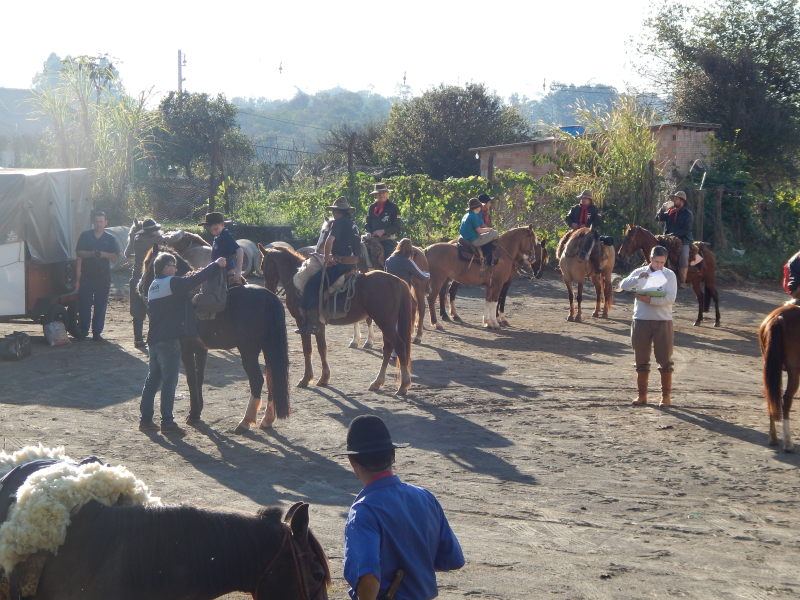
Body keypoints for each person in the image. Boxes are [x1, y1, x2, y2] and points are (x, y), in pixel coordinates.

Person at [339, 415, 464, 600]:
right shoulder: (425, 497)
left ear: (352, 461)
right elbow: (453, 559)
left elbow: (368, 577)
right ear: (392, 455)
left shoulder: (363, 512)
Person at [139, 253, 226, 434]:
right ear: (165, 268)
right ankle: (167, 422)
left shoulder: (154, 286)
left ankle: (146, 420)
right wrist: (216, 265)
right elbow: (195, 279)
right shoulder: (171, 282)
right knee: (169, 382)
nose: (176, 269)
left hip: (154, 341)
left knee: (152, 381)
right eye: (173, 266)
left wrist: (190, 301)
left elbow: (170, 306)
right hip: (169, 342)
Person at [619, 246, 678, 407]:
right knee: (641, 359)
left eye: (662, 262)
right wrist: (638, 278)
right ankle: (642, 395)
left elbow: (671, 298)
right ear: (650, 259)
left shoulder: (669, 275)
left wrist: (650, 300)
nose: (659, 265)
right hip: (641, 320)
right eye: (656, 261)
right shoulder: (641, 271)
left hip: (663, 321)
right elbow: (623, 285)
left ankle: (665, 396)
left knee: (665, 360)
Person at [296, 197, 361, 334]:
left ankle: (313, 325)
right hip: (353, 265)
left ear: (337, 212)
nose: (333, 215)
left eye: (333, 212)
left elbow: (329, 242)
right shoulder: (353, 224)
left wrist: (326, 260)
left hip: (341, 266)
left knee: (311, 285)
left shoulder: (338, 222)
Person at [75, 212, 119, 341]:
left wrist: (103, 254)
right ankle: (84, 330)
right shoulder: (85, 236)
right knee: (84, 305)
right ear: (93, 222)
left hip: (103, 277)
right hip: (87, 276)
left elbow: (116, 257)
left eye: (101, 221)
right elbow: (78, 252)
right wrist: (92, 254)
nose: (99, 224)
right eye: (97, 221)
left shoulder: (110, 238)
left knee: (100, 305)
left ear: (106, 223)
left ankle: (97, 332)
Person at [125, 218, 163, 348]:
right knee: (153, 309)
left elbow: (128, 252)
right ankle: (153, 337)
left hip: (136, 278)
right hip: (149, 280)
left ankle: (138, 339)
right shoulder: (152, 241)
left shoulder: (136, 239)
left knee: (137, 310)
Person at [656, 191, 694, 289]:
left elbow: (686, 229)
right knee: (656, 251)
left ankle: (682, 280)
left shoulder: (688, 214)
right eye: (674, 199)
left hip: (683, 240)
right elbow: (657, 218)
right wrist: (661, 209)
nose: (673, 200)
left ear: (682, 201)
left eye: (676, 199)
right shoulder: (670, 212)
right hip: (668, 239)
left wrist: (672, 235)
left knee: (684, 255)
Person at [198, 212, 243, 284]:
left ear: (222, 225)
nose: (214, 232)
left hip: (226, 273)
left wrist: (238, 271)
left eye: (216, 229)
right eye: (211, 230)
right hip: (218, 271)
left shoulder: (226, 235)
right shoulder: (217, 236)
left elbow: (239, 250)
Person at [364, 182, 402, 263]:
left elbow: (397, 226)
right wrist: (368, 232)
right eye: (379, 193)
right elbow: (368, 224)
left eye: (383, 193)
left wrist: (383, 231)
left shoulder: (393, 207)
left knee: (389, 260)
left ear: (387, 193)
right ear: (376, 195)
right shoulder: (372, 207)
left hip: (387, 240)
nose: (382, 195)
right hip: (372, 239)